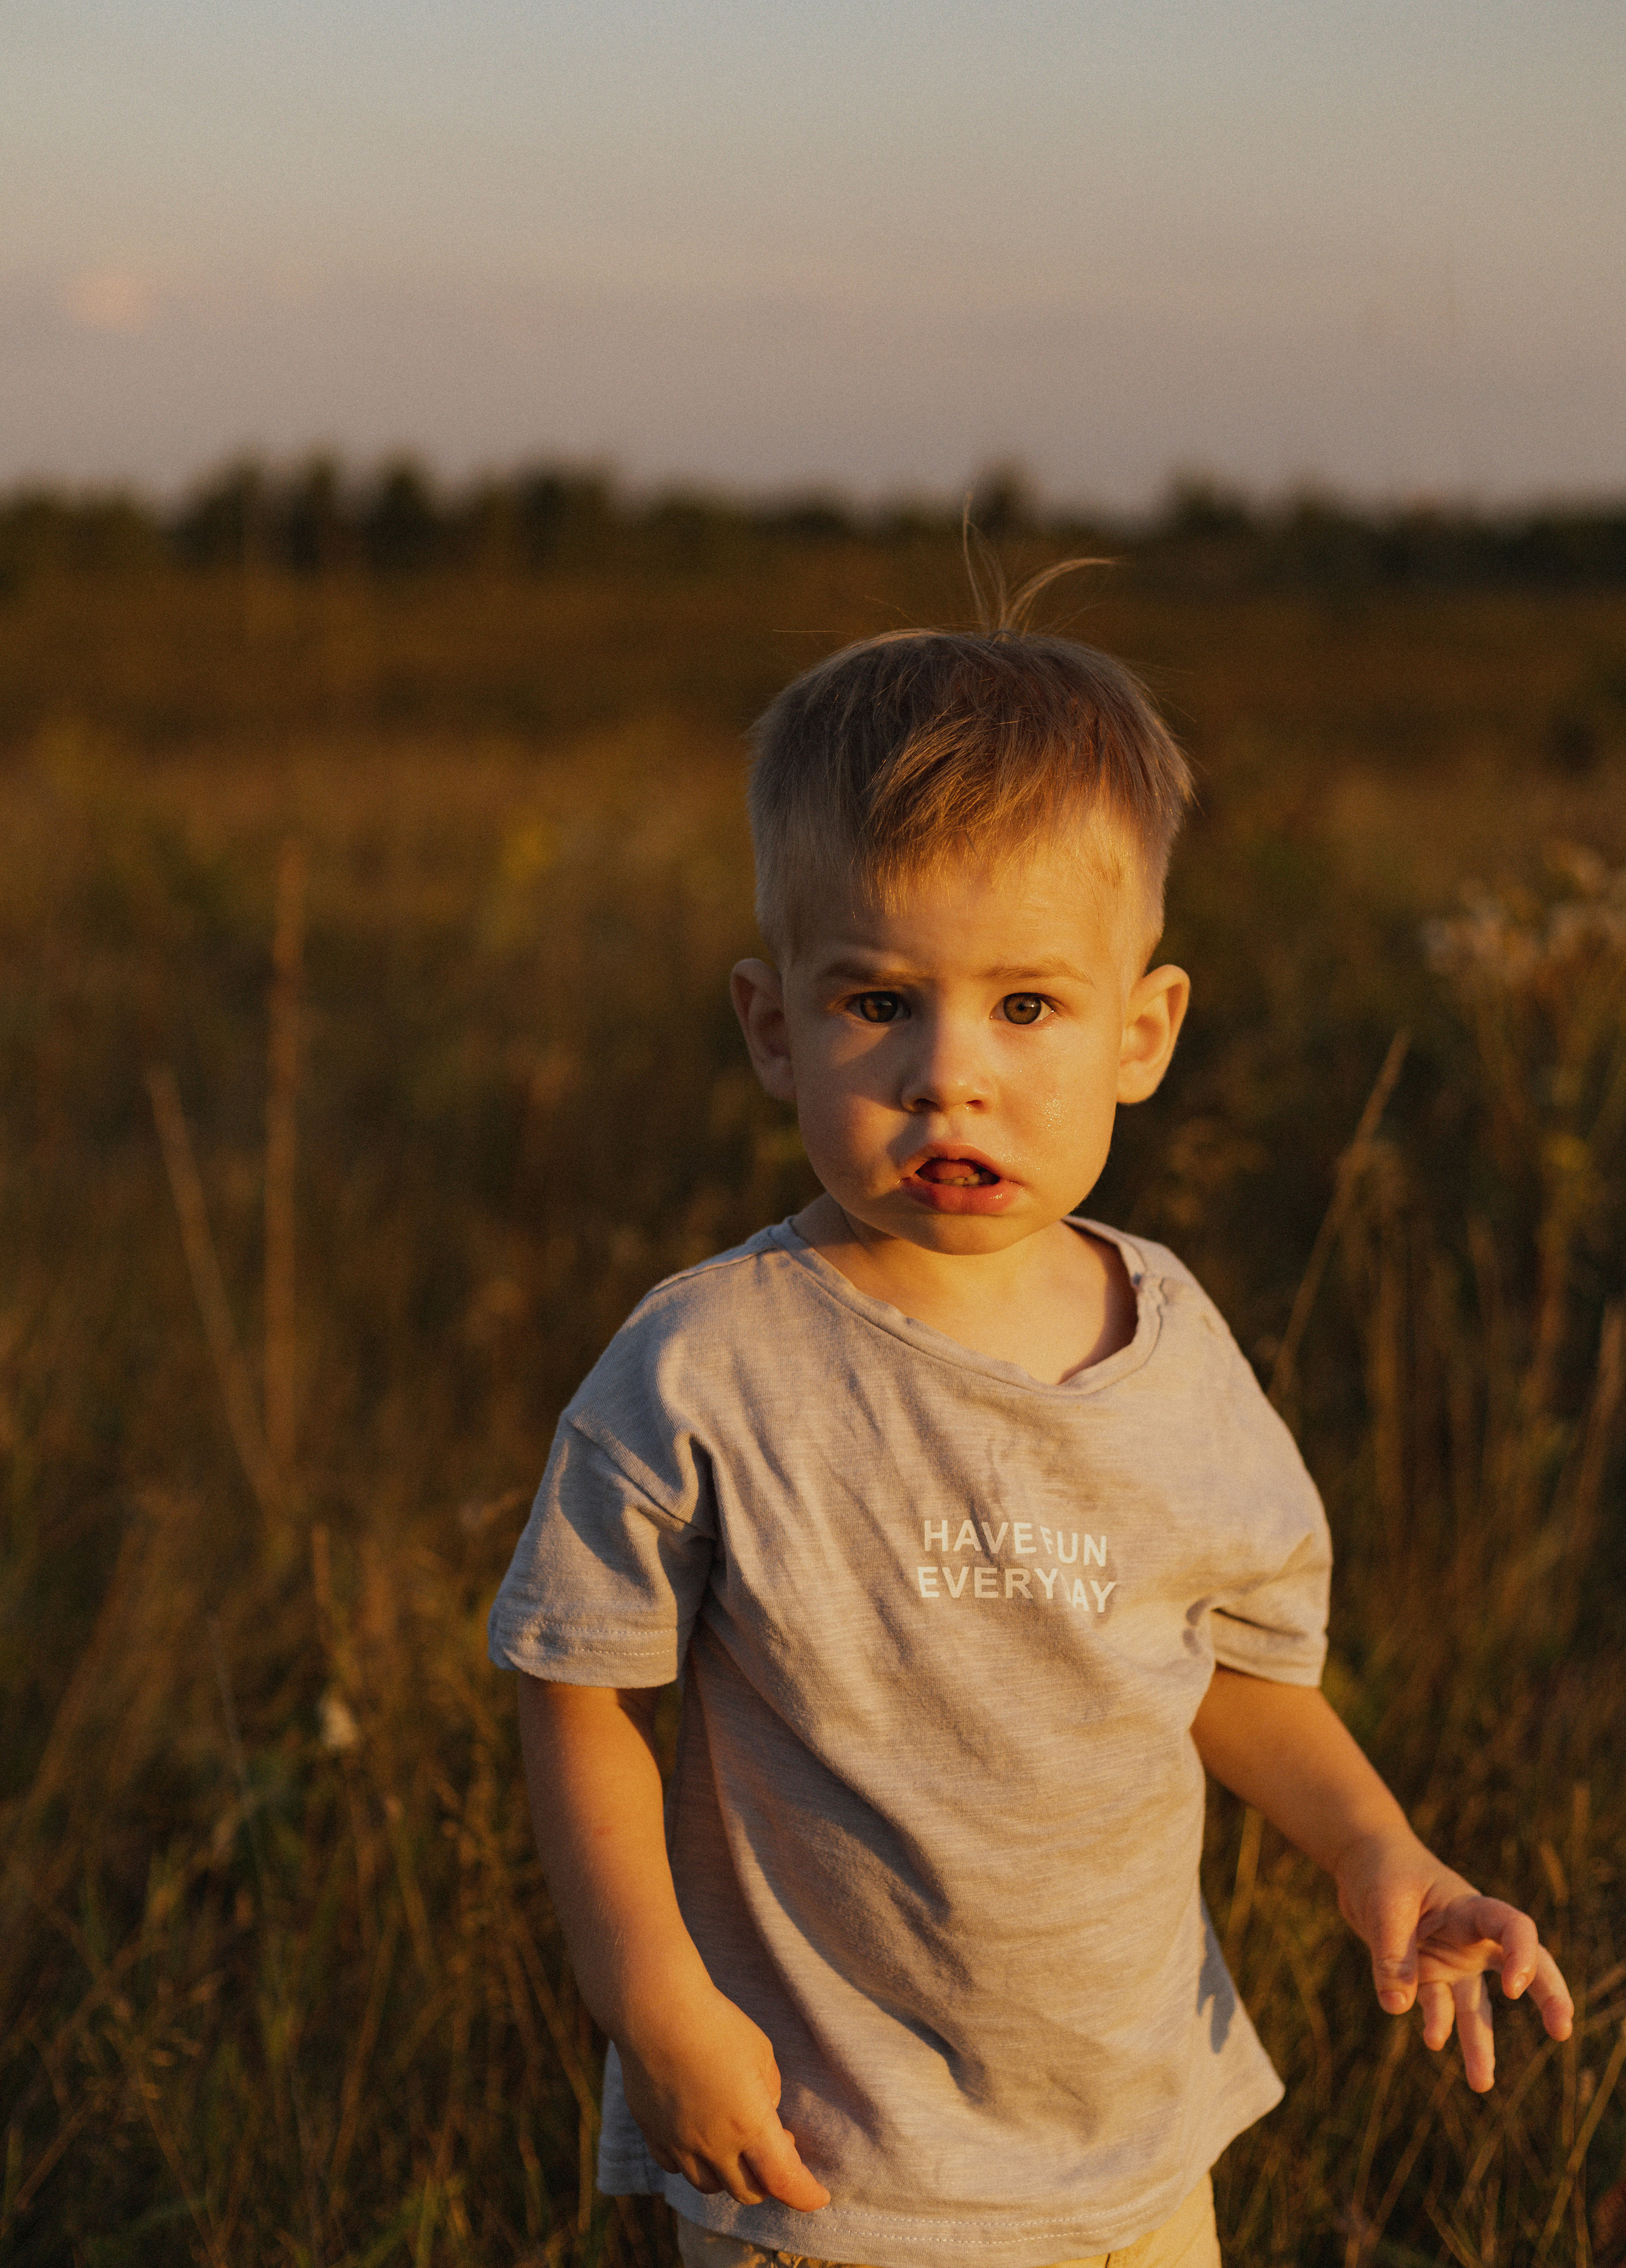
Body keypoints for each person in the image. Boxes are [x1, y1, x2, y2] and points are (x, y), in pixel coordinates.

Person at [489, 577, 1572, 2268]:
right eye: (877, 1004)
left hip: (1138, 2158)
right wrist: (656, 2005)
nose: (950, 1074)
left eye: (1028, 1006)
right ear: (774, 1029)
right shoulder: (707, 1367)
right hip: (833, 2171)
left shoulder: (1175, 1350)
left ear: (1142, 1033)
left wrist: (1382, 1851)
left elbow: (1227, 1668)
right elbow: (578, 1692)